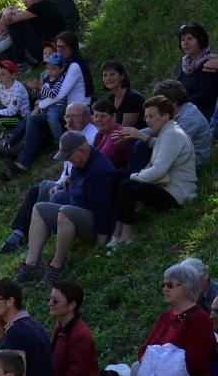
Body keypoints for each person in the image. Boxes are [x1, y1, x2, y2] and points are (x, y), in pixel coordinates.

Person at [12, 131, 117, 281]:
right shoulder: (81, 162)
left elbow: (103, 209)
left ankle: (57, 266)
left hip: (95, 222)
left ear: (81, 150)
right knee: (39, 208)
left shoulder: (99, 171)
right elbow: (75, 189)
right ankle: (31, 264)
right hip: (79, 209)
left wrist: (100, 243)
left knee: (65, 212)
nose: (68, 161)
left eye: (69, 157)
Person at [109, 96, 197, 247]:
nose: (147, 120)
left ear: (165, 115)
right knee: (119, 177)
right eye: (145, 116)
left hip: (176, 196)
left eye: (151, 116)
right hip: (167, 187)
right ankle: (116, 231)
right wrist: (144, 137)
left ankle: (125, 237)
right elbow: (163, 149)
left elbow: (159, 171)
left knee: (128, 185)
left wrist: (134, 176)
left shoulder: (172, 135)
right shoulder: (168, 131)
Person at [0, 0, 64, 68]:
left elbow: (7, 21)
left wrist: (6, 11)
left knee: (14, 24)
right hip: (47, 48)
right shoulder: (37, 8)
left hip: (53, 51)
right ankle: (22, 62)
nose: (24, 1)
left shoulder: (39, 7)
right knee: (16, 24)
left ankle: (21, 63)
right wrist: (8, 10)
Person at [178, 22, 218, 118]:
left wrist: (182, 102)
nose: (185, 43)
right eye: (182, 40)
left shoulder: (210, 63)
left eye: (190, 39)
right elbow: (178, 87)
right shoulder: (186, 64)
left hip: (205, 113)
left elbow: (208, 95)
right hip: (186, 110)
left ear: (200, 40)